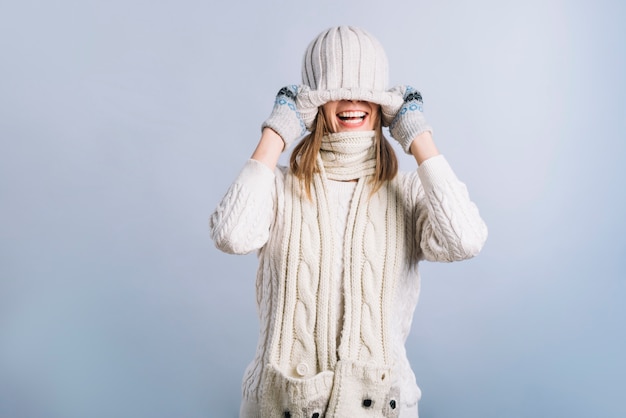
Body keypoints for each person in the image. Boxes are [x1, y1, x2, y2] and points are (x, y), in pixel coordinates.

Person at [210, 25, 487, 418]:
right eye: (336, 91)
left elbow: (466, 240)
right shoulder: (277, 188)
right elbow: (229, 235)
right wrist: (277, 131)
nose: (353, 100)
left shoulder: (406, 192)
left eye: (367, 92)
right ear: (316, 105)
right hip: (278, 406)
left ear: (383, 104)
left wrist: (417, 135)